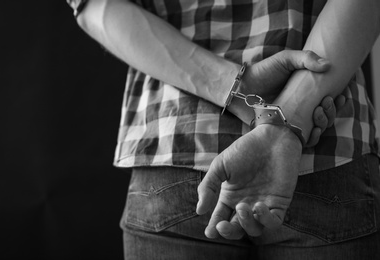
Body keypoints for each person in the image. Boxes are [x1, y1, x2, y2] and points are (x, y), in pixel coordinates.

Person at [66, 0, 380, 259]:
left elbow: (96, 5)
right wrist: (290, 117)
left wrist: (231, 86)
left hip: (175, 139)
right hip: (327, 145)